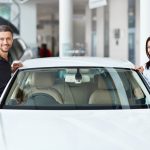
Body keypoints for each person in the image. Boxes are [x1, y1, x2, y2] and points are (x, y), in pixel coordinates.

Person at [0, 25, 23, 96]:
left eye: (8, 39)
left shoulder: (9, 58)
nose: (5, 42)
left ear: (12, 40)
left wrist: (10, 69)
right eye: (2, 39)